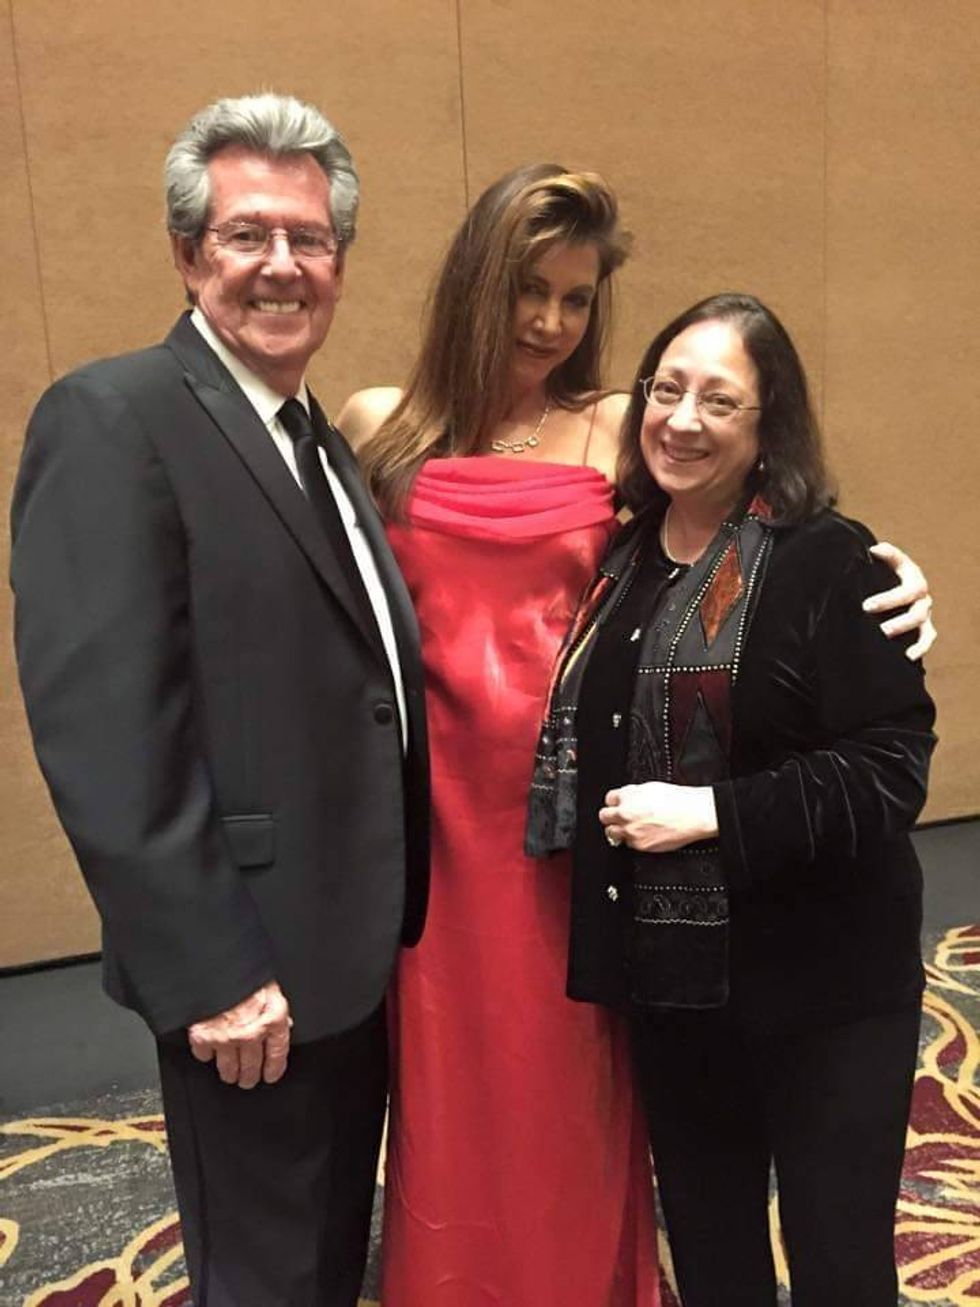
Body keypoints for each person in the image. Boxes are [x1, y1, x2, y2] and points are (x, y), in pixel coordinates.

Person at [337, 171, 934, 1304]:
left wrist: (887, 567)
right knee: (457, 1089)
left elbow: (746, 525)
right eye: (527, 289)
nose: (550, 323)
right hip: (443, 837)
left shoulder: (619, 424)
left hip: (589, 831)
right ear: (473, 281)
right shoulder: (380, 426)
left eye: (574, 298)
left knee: (582, 1096)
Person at [11, 93, 429, 1307]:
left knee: (322, 1250)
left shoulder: (319, 438)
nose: (282, 267)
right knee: (264, 1271)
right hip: (246, 962)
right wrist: (209, 973)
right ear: (188, 253)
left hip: (352, 943)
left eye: (308, 239)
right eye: (248, 236)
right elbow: (103, 733)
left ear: (339, 261)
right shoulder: (113, 418)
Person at [527, 291, 936, 1307]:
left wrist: (711, 815)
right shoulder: (617, 559)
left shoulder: (823, 560)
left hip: (824, 985)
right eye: (665, 389)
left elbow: (891, 766)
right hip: (676, 983)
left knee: (837, 1261)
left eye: (719, 401)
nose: (680, 418)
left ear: (765, 430)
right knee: (710, 1256)